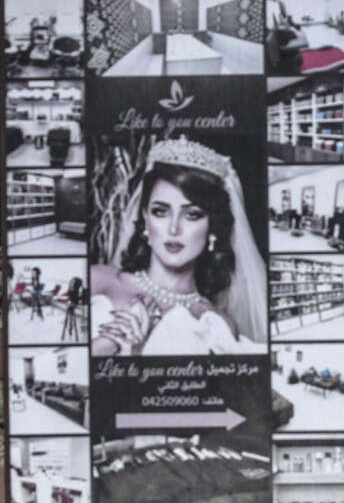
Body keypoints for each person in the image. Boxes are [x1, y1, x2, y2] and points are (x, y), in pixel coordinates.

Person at [90, 137, 267, 356]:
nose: (173, 229)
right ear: (145, 218)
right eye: (160, 212)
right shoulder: (97, 280)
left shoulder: (216, 325)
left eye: (192, 214)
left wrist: (137, 352)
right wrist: (108, 343)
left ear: (213, 226)